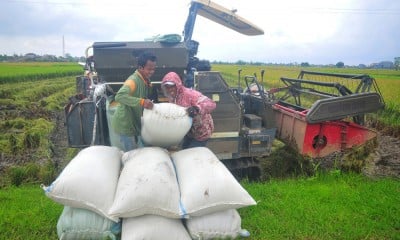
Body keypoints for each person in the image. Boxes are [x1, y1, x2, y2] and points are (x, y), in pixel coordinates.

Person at [110, 52, 156, 151]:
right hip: (125, 124)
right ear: (140, 68)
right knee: (132, 154)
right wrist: (142, 102)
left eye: (153, 69)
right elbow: (119, 96)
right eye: (149, 69)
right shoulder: (133, 81)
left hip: (135, 122)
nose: (152, 72)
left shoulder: (146, 81)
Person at [161, 71, 216, 149]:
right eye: (167, 87)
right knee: (184, 150)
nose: (169, 89)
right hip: (189, 132)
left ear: (177, 85)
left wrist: (196, 108)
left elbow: (211, 104)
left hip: (201, 131)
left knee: (192, 155)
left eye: (171, 86)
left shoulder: (190, 94)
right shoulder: (172, 98)